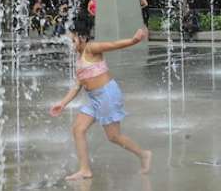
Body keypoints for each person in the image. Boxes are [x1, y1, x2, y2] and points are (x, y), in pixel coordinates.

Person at [49, 19, 152, 181]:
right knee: (78, 129)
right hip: (93, 98)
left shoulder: (91, 48)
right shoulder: (80, 56)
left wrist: (134, 40)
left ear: (81, 38)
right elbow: (77, 86)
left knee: (113, 136)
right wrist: (62, 103)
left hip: (107, 95)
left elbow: (113, 44)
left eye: (73, 39)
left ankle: (144, 154)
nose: (71, 43)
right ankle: (84, 170)